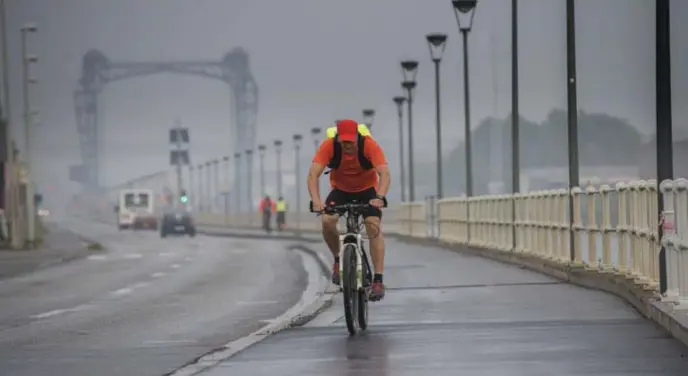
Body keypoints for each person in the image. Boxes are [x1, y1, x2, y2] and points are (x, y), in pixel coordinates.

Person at [307, 119, 391, 301]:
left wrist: (380, 196)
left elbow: (384, 173)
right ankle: (338, 259)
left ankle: (378, 280)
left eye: (350, 142)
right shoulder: (329, 146)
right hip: (340, 191)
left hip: (368, 190)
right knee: (327, 221)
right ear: (337, 139)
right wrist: (316, 201)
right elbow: (313, 174)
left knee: (373, 224)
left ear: (356, 138)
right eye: (343, 142)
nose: (347, 146)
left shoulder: (368, 145)